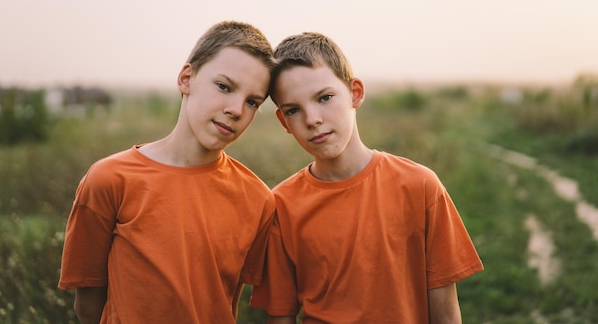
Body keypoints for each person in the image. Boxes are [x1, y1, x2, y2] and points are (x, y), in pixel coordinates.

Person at [250, 32, 483, 324]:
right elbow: (280, 317)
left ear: (355, 93)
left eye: (324, 97)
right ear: (284, 122)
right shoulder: (281, 206)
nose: (312, 119)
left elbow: (446, 313)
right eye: (294, 110)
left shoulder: (420, 186)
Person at [59, 21, 277, 324]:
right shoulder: (108, 179)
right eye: (224, 87)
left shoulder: (258, 200)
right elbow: (87, 305)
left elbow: (227, 303)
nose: (236, 110)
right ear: (186, 78)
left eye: (252, 101)